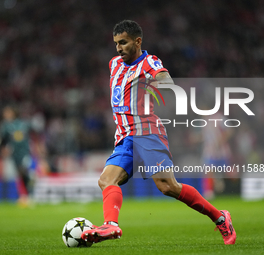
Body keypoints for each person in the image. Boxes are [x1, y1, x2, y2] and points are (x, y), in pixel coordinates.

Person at [81, 20, 236, 245]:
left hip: (148, 134)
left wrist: (161, 84)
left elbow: (164, 78)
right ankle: (111, 225)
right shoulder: (114, 64)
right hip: (124, 137)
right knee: (106, 180)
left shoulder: (149, 61)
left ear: (137, 41)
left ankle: (221, 217)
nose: (118, 48)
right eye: (116, 43)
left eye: (123, 42)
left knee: (167, 187)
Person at [0, 105, 34, 207]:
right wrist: (1, 148)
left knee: (23, 170)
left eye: (7, 112)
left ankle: (29, 194)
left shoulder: (23, 123)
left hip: (25, 152)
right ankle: (24, 196)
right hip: (14, 153)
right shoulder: (5, 125)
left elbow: (32, 135)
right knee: (19, 174)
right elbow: (0, 139)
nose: (5, 114)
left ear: (13, 112)